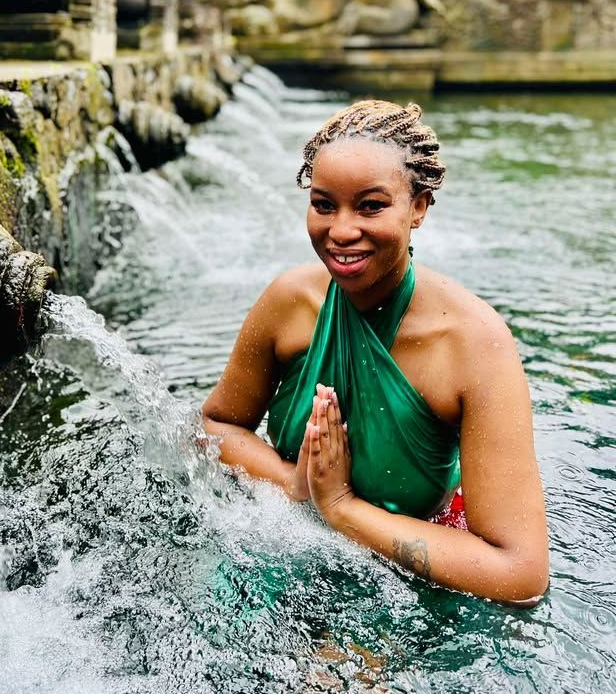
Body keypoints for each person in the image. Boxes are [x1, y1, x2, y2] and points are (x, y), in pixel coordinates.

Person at [202, 100, 549, 604]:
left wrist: (341, 508)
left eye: (370, 206)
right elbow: (215, 426)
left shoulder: (474, 344)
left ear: (419, 207)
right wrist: (292, 482)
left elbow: (520, 574)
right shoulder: (289, 304)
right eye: (323, 205)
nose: (340, 231)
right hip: (281, 545)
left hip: (407, 586)